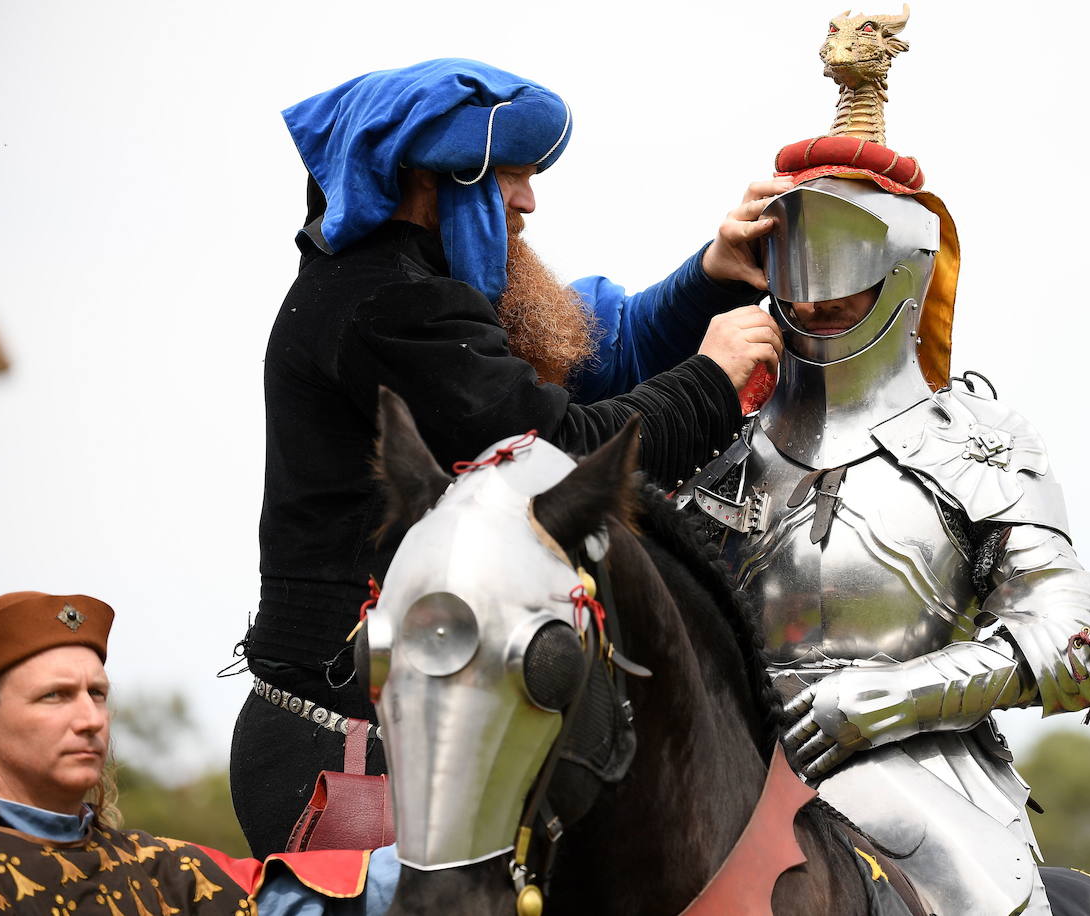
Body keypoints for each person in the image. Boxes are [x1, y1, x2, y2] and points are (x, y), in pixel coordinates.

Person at [234, 58, 787, 857]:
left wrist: (708, 280)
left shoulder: (411, 285)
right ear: (435, 181)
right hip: (352, 750)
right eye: (510, 177)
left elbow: (602, 352)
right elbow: (555, 458)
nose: (528, 200)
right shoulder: (387, 303)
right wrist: (709, 383)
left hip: (401, 732)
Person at [680, 11, 1090, 915]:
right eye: (794, 267)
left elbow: (1082, 640)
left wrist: (890, 698)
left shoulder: (976, 439)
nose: (815, 301)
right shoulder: (706, 434)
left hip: (919, 771)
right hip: (710, 772)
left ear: (905, 270)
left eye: (845, 277)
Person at [0, 591, 400, 915]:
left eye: (97, 694)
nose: (90, 719)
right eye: (55, 696)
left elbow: (323, 895)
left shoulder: (165, 872)